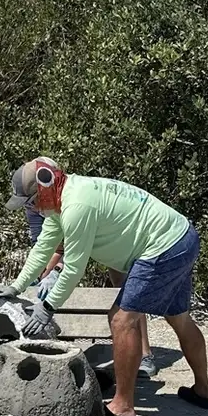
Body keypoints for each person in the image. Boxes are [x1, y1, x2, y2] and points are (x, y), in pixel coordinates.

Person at [0, 159, 208, 416]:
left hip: (164, 246)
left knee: (121, 320)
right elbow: (44, 246)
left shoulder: (77, 207)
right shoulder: (62, 201)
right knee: (179, 318)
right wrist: (16, 286)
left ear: (44, 187)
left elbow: (74, 268)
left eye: (30, 202)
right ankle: (204, 392)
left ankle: (122, 406)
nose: (31, 208)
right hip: (180, 236)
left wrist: (47, 308)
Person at [25, 161, 156, 377]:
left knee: (126, 288)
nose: (32, 205)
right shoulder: (32, 205)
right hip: (79, 241)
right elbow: (44, 245)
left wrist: (56, 270)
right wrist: (39, 276)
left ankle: (145, 354)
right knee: (44, 283)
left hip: (111, 237)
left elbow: (72, 246)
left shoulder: (75, 201)